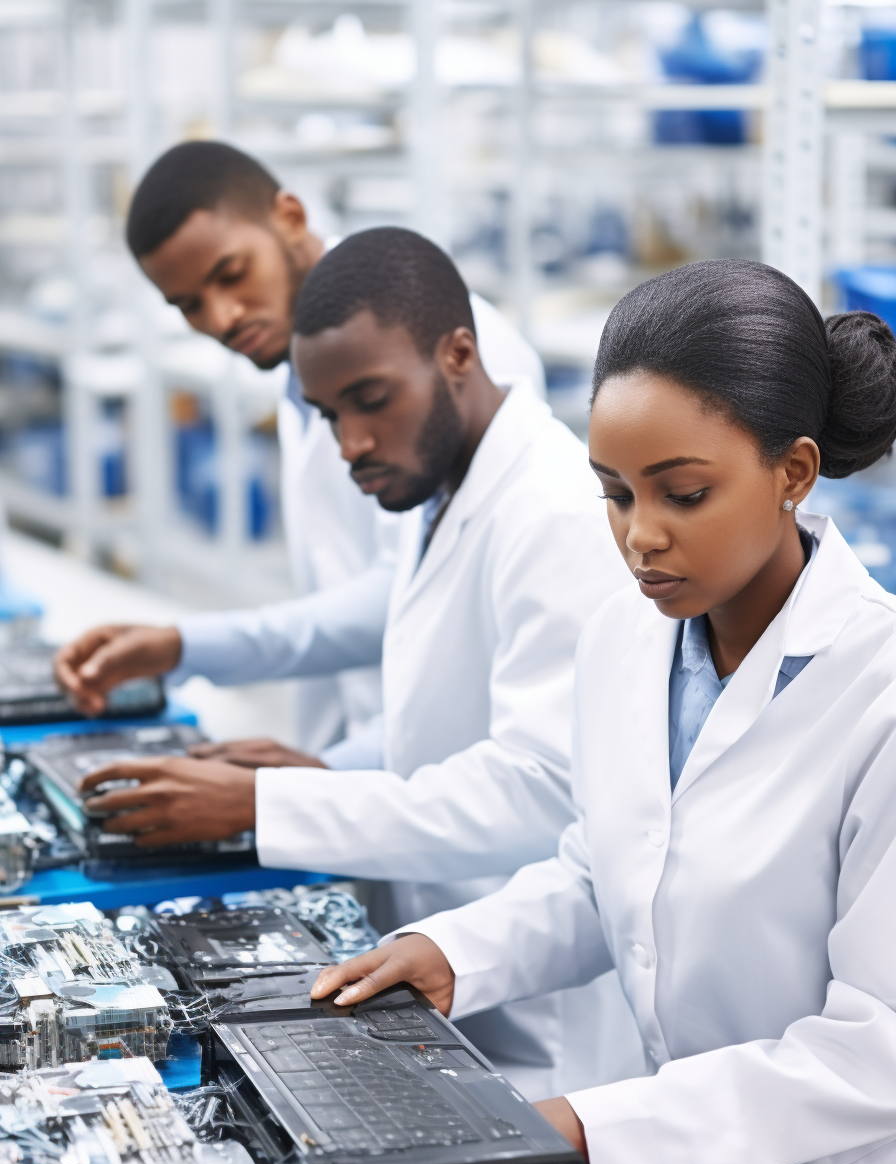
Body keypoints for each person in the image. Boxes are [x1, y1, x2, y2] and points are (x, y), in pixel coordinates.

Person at [309, 259, 896, 1164]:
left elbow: (870, 1052)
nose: (639, 536)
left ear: (792, 472)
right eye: (614, 495)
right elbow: (606, 871)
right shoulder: (627, 642)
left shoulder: (877, 697)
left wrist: (578, 1127)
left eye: (681, 494)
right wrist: (453, 950)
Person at [57, 228, 638, 1100]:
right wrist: (321, 768)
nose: (350, 443)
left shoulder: (553, 514)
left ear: (459, 353)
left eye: (371, 401)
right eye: (330, 416)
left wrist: (270, 804)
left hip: (531, 1012)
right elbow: (446, 711)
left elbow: (539, 794)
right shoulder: (447, 484)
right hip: (440, 956)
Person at [122, 139, 545, 759]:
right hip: (374, 779)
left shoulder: (453, 354)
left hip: (445, 790)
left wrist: (191, 648)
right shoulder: (306, 372)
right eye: (189, 305)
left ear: (290, 218)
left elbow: (410, 591)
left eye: (231, 273)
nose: (221, 316)